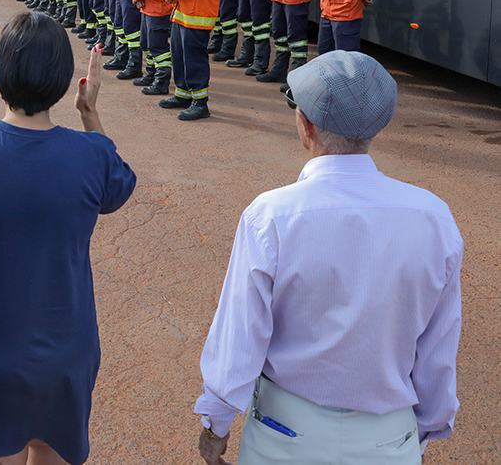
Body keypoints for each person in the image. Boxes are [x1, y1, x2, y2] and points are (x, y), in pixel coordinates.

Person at [195, 51, 461, 465]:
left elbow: (241, 339)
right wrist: (417, 435)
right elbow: (437, 350)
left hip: (284, 434)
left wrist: (216, 427)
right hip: (387, 437)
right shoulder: (433, 216)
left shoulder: (271, 215)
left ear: (306, 127)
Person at [0, 14, 136, 465]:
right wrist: (91, 114)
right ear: (61, 84)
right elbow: (118, 187)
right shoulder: (91, 155)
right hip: (60, 352)